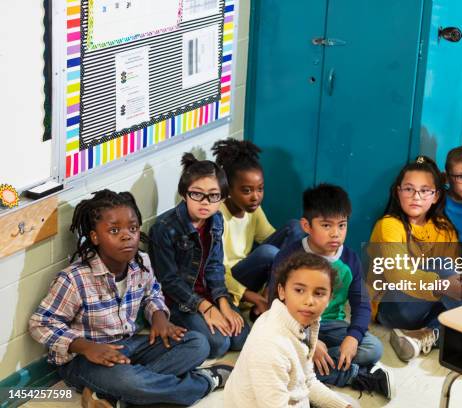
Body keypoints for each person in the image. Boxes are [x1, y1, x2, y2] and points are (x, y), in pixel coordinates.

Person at [29, 190, 232, 407]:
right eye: (114, 230)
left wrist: (159, 316)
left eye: (133, 228)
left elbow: (152, 292)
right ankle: (204, 381)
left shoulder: (140, 262)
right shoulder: (74, 278)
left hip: (129, 345)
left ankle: (111, 394)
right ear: (95, 237)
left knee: (197, 343)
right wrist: (86, 347)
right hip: (85, 359)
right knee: (128, 379)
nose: (127, 236)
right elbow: (41, 324)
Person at [270, 184, 390, 398]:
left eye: (342, 225)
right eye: (326, 225)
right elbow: (276, 307)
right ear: (306, 225)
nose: (336, 233)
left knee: (373, 348)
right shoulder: (289, 257)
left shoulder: (350, 259)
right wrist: (310, 342)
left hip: (332, 325)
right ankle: (351, 375)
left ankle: (311, 370)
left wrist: (352, 338)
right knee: (277, 355)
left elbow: (361, 305)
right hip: (294, 327)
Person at [225, 252, 391, 407]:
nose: (309, 300)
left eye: (319, 293)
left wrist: (342, 406)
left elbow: (306, 381)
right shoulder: (269, 345)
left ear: (330, 298)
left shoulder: (303, 323)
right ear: (282, 291)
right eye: (299, 290)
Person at [369, 156, 462, 362]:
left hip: (428, 305)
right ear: (398, 193)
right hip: (390, 305)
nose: (416, 196)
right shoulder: (389, 225)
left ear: (435, 196)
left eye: (425, 190)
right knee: (443, 268)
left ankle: (424, 336)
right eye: (408, 189)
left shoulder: (445, 228)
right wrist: (442, 284)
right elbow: (398, 274)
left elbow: (456, 276)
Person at [149, 153, 249, 360]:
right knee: (218, 345)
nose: (205, 202)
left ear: (222, 198)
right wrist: (205, 307)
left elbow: (214, 266)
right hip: (178, 300)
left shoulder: (216, 219)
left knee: (241, 338)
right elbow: (168, 281)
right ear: (184, 193)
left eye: (213, 196)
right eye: (197, 194)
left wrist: (222, 302)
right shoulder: (163, 228)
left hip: (208, 294)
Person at [212, 138, 303, 317]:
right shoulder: (217, 217)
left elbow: (273, 237)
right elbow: (217, 272)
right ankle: (267, 302)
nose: (255, 197)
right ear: (228, 190)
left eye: (260, 189)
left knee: (295, 227)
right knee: (269, 253)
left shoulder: (253, 209)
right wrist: (254, 297)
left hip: (256, 276)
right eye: (246, 191)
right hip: (231, 281)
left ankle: (274, 294)